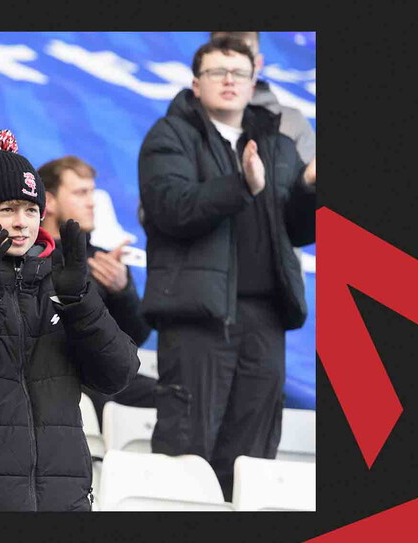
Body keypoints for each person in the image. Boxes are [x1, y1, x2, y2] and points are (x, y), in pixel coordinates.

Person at [0, 129, 141, 511]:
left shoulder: (63, 287)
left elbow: (117, 375)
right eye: (7, 210)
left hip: (63, 502)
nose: (21, 222)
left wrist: (81, 302)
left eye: (30, 210)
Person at [138, 36, 317, 499]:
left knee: (254, 460)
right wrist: (241, 183)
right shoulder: (170, 135)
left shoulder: (276, 142)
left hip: (266, 319)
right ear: (196, 84)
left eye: (239, 73)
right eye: (217, 72)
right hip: (199, 319)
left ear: (254, 78)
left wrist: (311, 189)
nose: (229, 81)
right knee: (186, 456)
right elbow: (171, 208)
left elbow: (298, 231)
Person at [37, 156, 156, 424]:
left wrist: (121, 290)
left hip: (103, 373)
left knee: (172, 395)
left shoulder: (104, 261)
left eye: (92, 192)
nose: (92, 202)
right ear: (50, 201)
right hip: (53, 373)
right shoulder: (31, 256)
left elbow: (137, 336)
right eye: (80, 193)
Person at [210, 31, 316, 162]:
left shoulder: (292, 123)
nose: (230, 78)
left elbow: (309, 179)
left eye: (243, 62)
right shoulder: (183, 121)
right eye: (222, 61)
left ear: (257, 64)